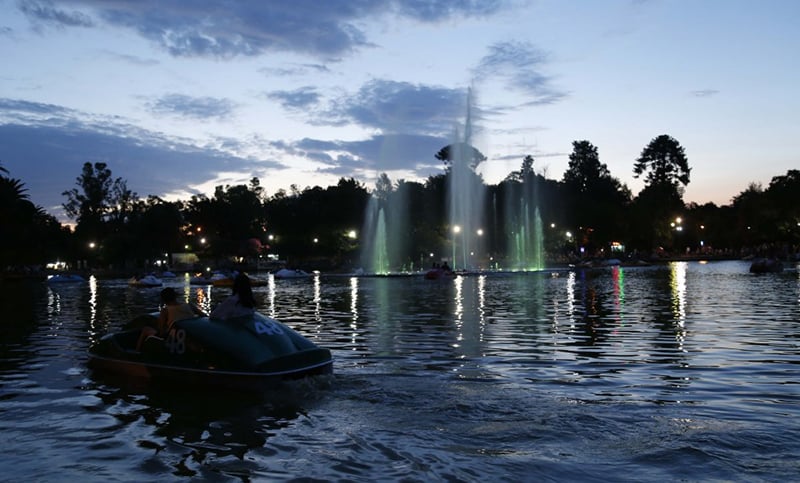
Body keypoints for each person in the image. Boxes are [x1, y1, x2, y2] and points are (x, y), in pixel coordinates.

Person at [136, 287, 206, 351]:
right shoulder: (189, 305)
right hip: (190, 336)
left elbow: (161, 330)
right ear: (175, 296)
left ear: (163, 299)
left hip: (171, 338)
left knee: (146, 329)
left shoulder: (166, 310)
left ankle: (137, 352)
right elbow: (204, 317)